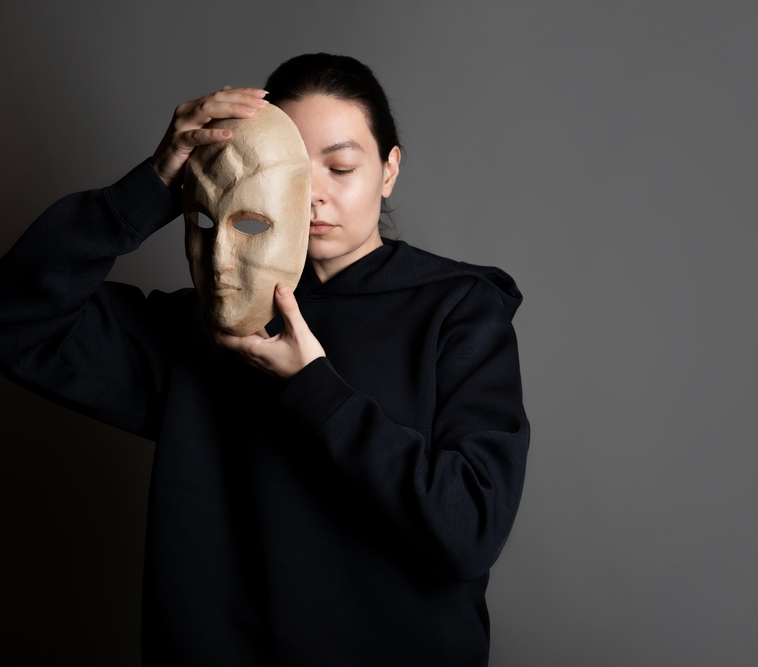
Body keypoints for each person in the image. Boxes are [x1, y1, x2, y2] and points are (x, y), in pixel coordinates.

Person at [0, 53, 528, 666]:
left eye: (342, 166)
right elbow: (15, 323)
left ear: (389, 171)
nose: (315, 196)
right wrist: (146, 189)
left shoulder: (460, 311)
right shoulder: (207, 324)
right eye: (295, 172)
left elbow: (469, 530)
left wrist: (314, 387)